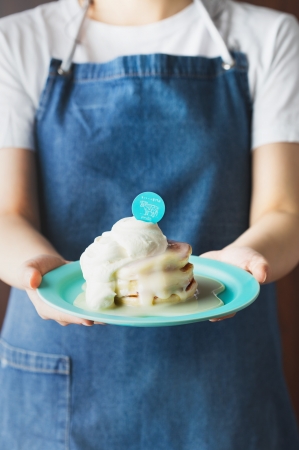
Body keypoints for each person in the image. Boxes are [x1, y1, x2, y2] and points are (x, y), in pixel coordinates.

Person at [0, 0, 299, 448]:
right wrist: (34, 269)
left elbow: (285, 210)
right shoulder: (17, 39)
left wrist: (245, 261)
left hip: (223, 384)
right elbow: (8, 213)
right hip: (61, 373)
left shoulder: (270, 35)